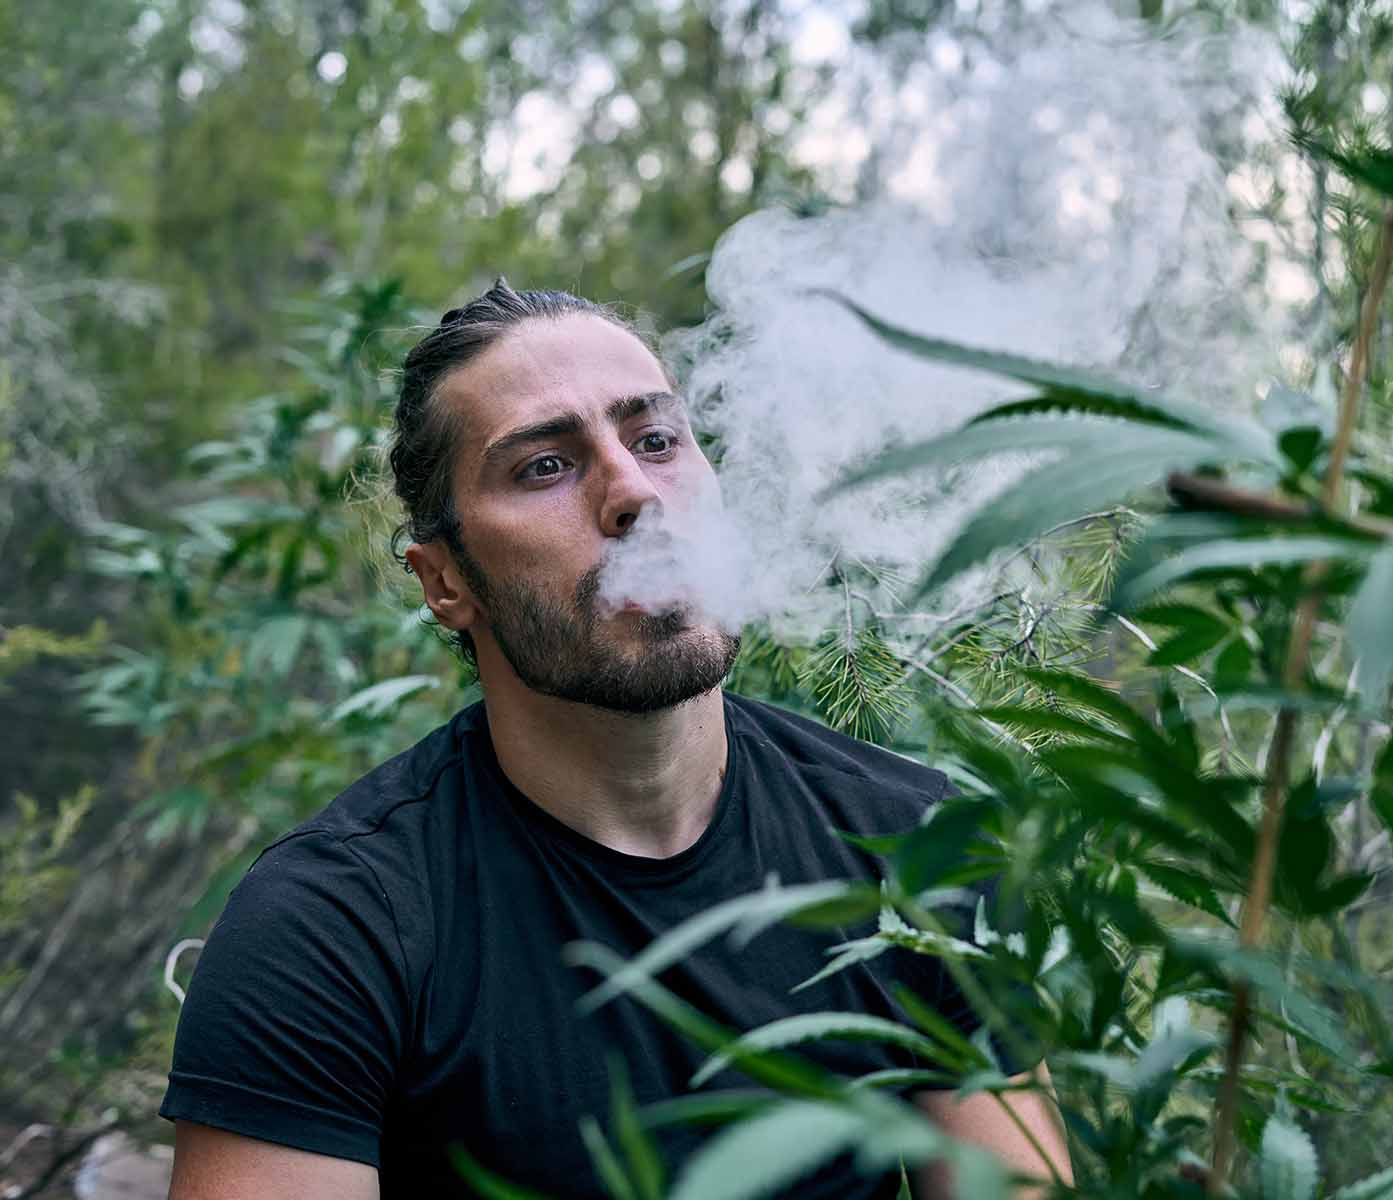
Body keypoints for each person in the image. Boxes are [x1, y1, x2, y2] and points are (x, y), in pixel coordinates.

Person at [160, 280, 1071, 1199]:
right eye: (544, 467)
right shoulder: (330, 928)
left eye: (656, 440)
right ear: (444, 581)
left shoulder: (917, 847)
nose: (633, 492)